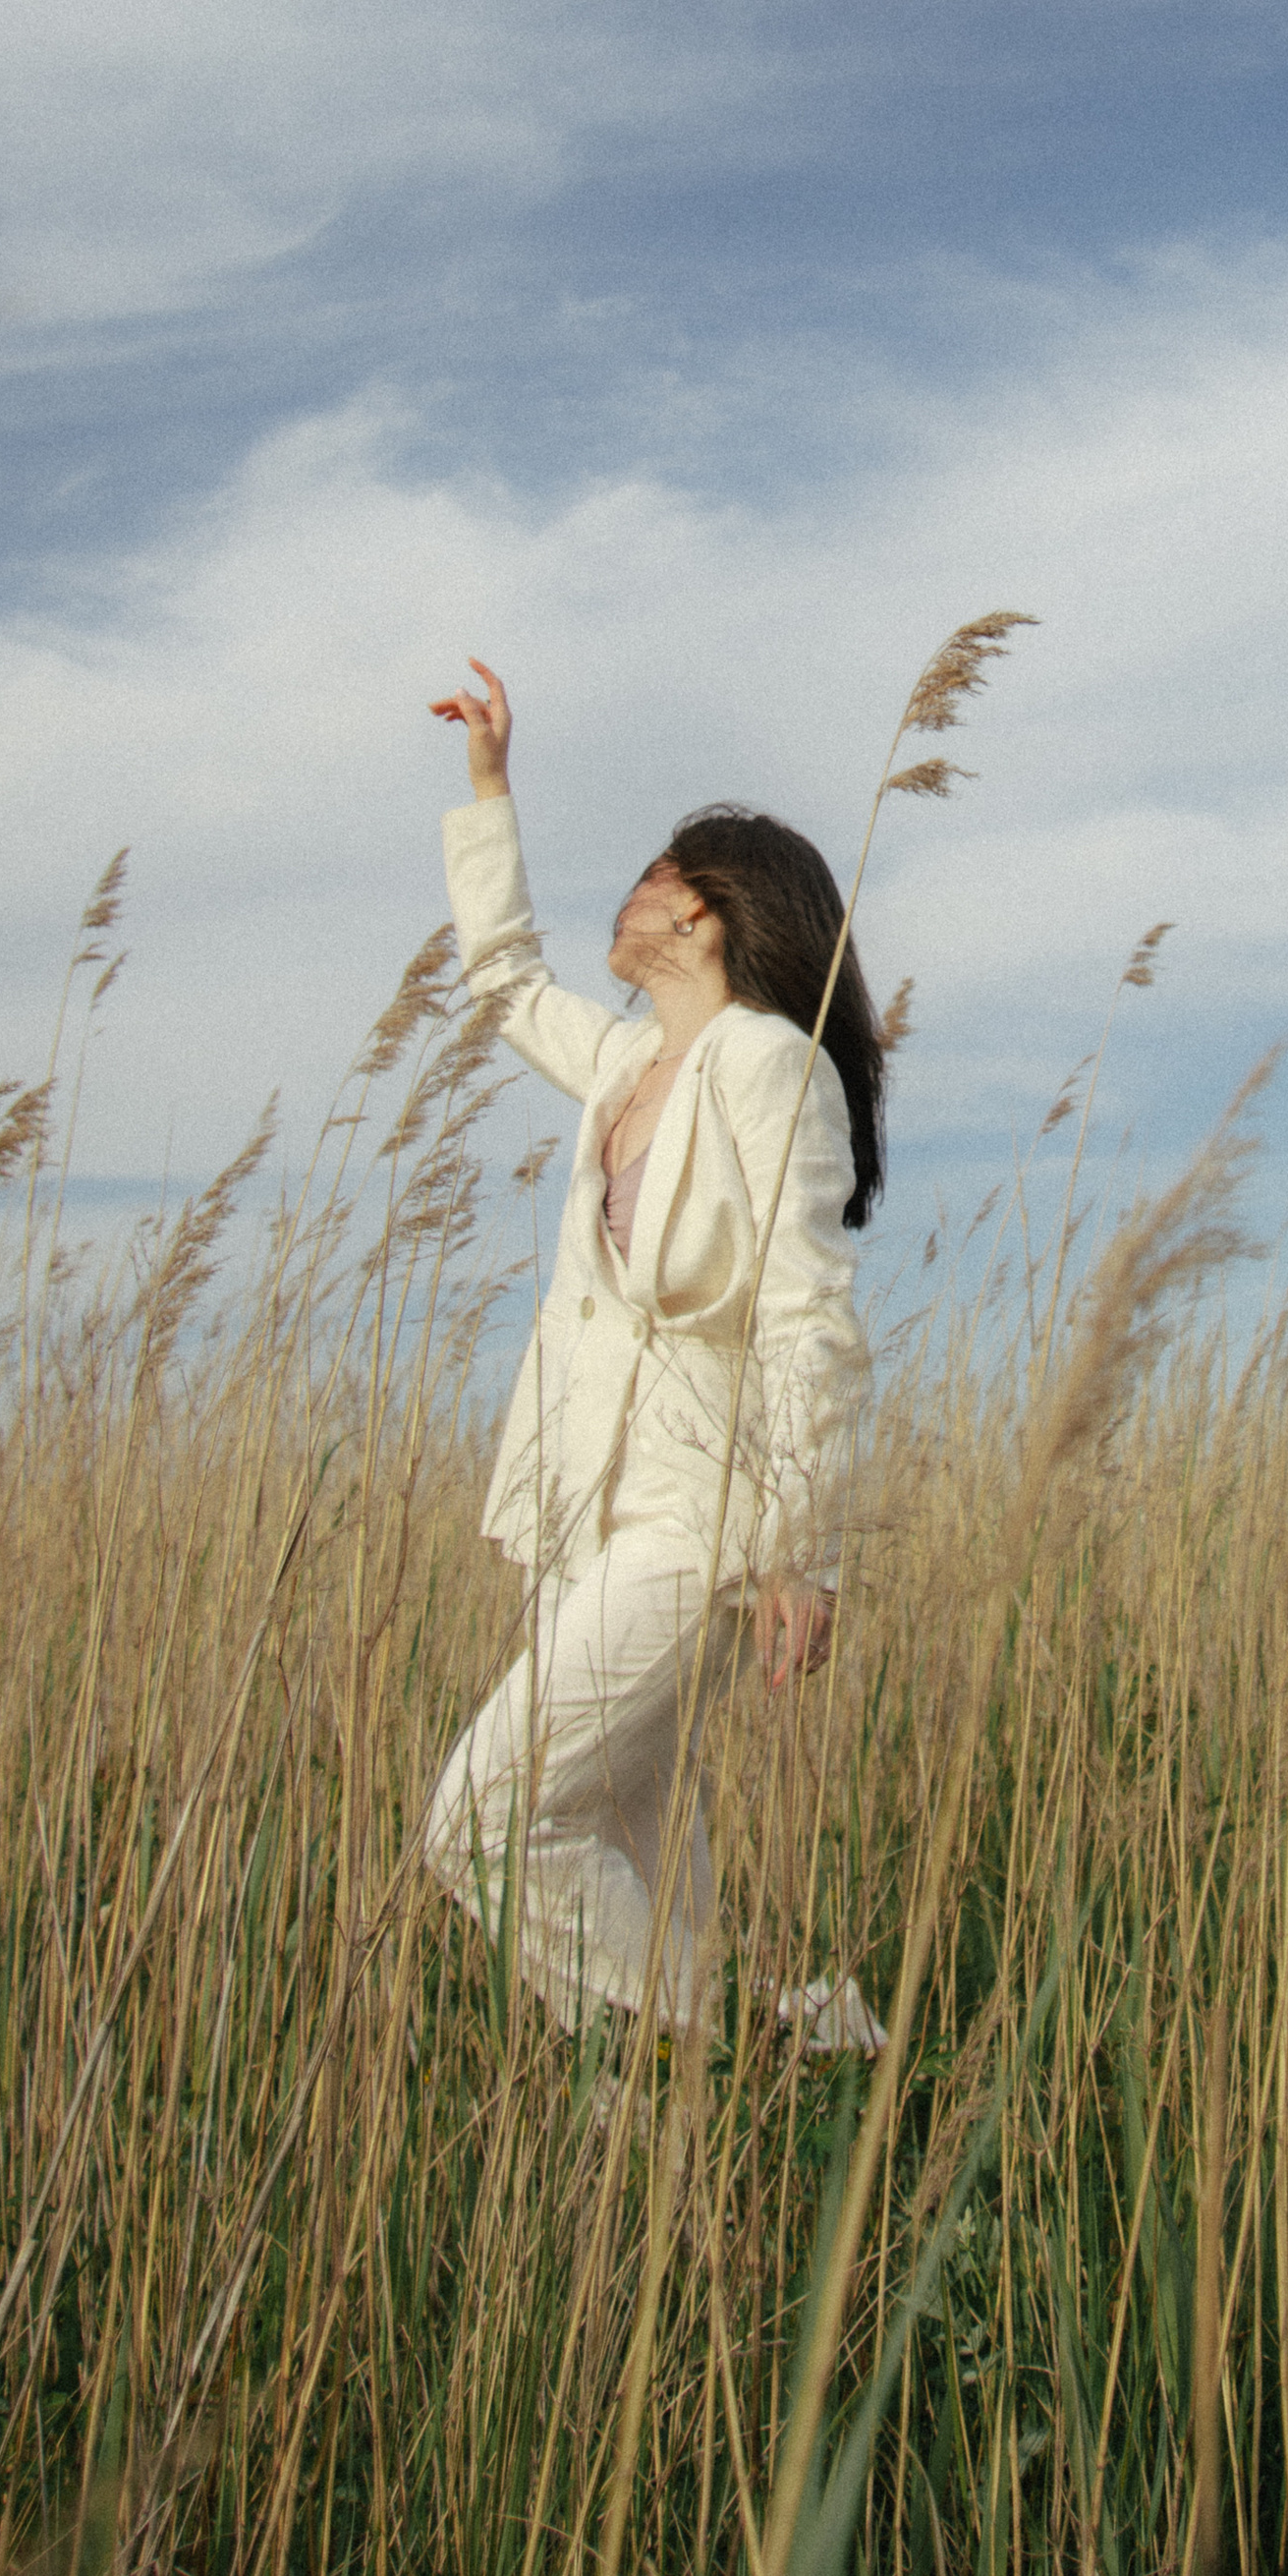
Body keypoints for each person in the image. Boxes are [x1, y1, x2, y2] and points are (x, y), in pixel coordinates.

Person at [420, 657, 883, 2046]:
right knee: (621, 1851)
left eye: (645, 872)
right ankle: (677, 2124)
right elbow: (504, 981)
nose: (622, 896)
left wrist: (800, 1545)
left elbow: (810, 1313)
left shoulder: (766, 1066)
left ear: (699, 903)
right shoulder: (629, 1067)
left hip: (697, 1521)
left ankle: (744, 2045)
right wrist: (491, 787)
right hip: (590, 1507)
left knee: (482, 1822)